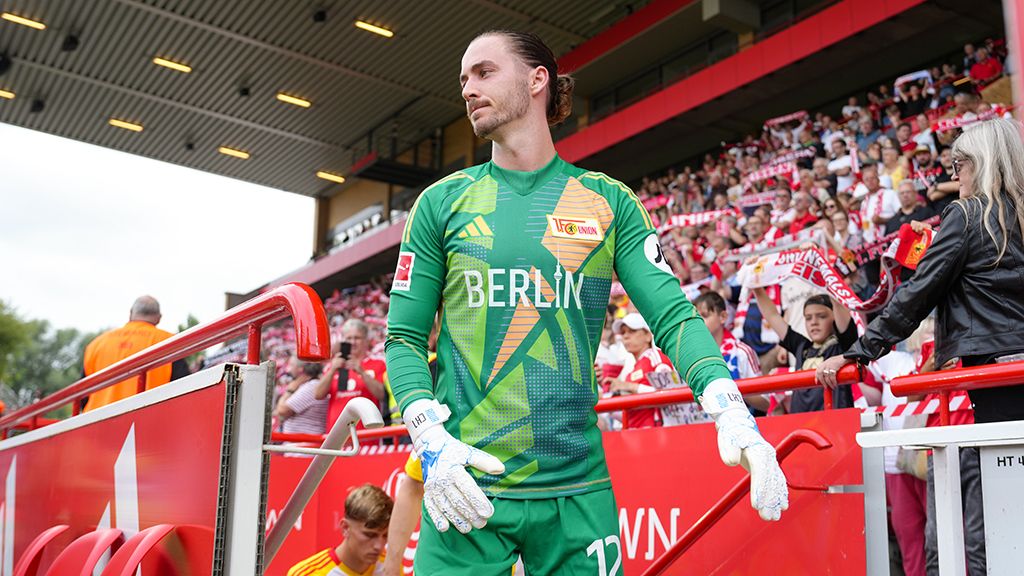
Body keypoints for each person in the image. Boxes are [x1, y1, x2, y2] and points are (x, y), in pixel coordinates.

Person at [384, 30, 788, 575]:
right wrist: (428, 436)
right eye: (463, 79)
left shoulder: (609, 201)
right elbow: (404, 339)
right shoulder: (441, 202)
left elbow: (673, 318)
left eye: (484, 72)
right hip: (464, 483)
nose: (467, 89)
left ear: (537, 80)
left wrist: (730, 409)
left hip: (578, 490)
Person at [818, 116, 1024, 425]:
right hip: (1005, 359)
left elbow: (919, 293)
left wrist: (859, 352)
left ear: (981, 163)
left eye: (958, 165)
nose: (954, 176)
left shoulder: (966, 214)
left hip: (996, 368)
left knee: (1004, 453)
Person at [753, 289, 857, 412]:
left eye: (822, 316)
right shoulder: (801, 346)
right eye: (808, 318)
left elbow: (839, 307)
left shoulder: (843, 346)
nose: (814, 322)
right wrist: (756, 288)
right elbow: (772, 316)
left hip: (835, 420)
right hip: (801, 421)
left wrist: (832, 284)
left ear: (834, 317)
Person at [82, 295, 189, 412]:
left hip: (98, 418)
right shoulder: (169, 342)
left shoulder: (96, 344)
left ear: (130, 313)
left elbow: (82, 394)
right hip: (146, 418)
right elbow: (184, 387)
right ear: (159, 318)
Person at [603, 313, 697, 428]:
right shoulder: (633, 368)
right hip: (637, 432)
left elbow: (671, 395)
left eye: (632, 331)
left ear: (648, 335)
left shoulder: (656, 359)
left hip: (657, 432)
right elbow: (633, 414)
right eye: (623, 332)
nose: (626, 336)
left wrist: (630, 387)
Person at [287, 484, 392, 576]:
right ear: (345, 528)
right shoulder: (307, 574)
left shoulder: (392, 566)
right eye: (369, 535)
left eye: (385, 535)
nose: (379, 546)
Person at [273, 356, 329, 435]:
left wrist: (289, 391)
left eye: (291, 365)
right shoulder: (307, 385)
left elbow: (282, 411)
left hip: (304, 439)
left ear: (301, 369)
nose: (288, 369)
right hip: (298, 439)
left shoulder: (312, 386)